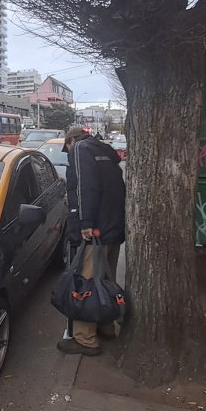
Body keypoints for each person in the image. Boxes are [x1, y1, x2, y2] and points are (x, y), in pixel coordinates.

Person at [57, 126, 126, 356]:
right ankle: (107, 327)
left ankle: (85, 339)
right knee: (105, 280)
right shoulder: (105, 150)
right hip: (113, 228)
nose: (67, 151)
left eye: (66, 146)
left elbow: (86, 188)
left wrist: (85, 223)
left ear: (71, 141)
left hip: (95, 231)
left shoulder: (81, 149)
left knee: (86, 284)